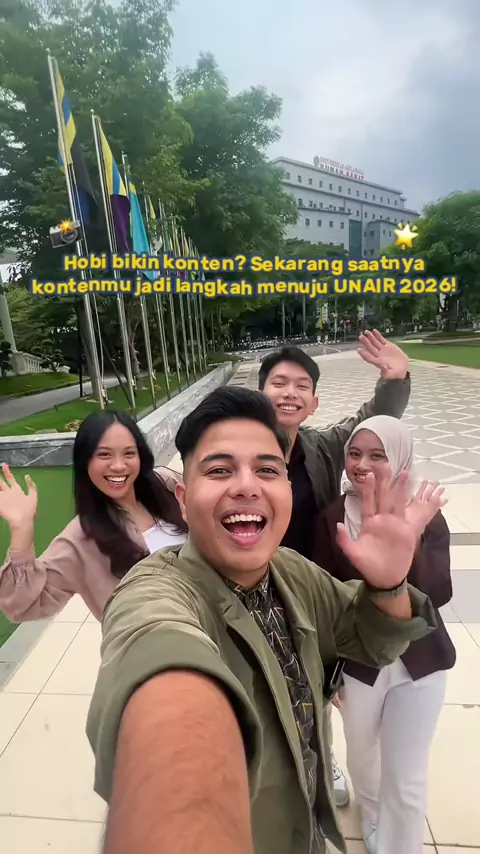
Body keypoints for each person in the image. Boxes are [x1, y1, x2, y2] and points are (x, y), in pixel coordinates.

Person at [86, 386, 441, 854]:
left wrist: (390, 584)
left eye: (267, 470)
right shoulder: (157, 592)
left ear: (287, 489)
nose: (246, 486)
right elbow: (162, 663)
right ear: (183, 498)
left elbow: (377, 641)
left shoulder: (292, 572)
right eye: (219, 469)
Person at [257, 329, 411, 804]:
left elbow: (370, 424)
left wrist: (395, 379)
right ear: (260, 393)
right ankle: (272, 767)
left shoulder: (321, 447)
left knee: (314, 681)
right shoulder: (240, 449)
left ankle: (322, 760)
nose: (290, 393)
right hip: (251, 588)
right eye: (279, 383)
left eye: (301, 386)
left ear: (314, 403)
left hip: (308, 591)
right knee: (262, 685)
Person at [313, 416, 456, 854]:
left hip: (421, 664)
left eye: (378, 455)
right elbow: (324, 601)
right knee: (362, 759)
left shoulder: (425, 516)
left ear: (400, 459)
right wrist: (327, 669)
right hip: (359, 665)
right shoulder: (333, 518)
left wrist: (409, 543)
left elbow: (439, 592)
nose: (362, 465)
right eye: (355, 454)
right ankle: (372, 814)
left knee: (406, 776)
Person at [0, 410, 186, 622]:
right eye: (104, 455)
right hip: (158, 640)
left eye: (129, 453)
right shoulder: (80, 539)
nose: (118, 466)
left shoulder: (167, 485)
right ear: (85, 461)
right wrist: (21, 530)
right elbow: (21, 607)